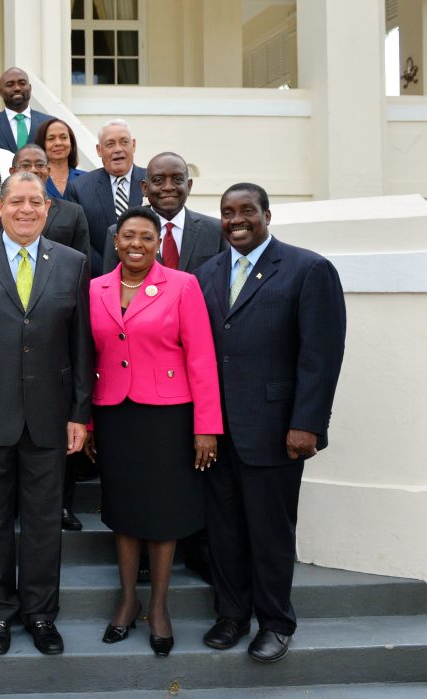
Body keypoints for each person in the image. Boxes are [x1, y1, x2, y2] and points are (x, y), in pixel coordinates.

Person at [194, 183, 346, 664]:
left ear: (267, 214)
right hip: (217, 433)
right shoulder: (205, 274)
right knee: (224, 530)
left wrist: (307, 423)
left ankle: (276, 622)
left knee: (270, 533)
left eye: (246, 212)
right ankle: (232, 615)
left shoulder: (309, 269)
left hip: (276, 429)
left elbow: (320, 356)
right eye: (227, 213)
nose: (236, 220)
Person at [0, 172, 92, 656]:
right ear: (0, 209)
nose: (27, 209)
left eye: (36, 202)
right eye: (18, 202)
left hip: (52, 413)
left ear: (48, 210)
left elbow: (82, 345)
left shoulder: (73, 263)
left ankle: (40, 612)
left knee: (44, 518)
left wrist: (79, 413)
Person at [85, 206, 222, 658]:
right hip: (114, 414)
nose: (137, 244)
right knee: (124, 509)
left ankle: (159, 608)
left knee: (163, 513)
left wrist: (207, 427)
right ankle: (128, 600)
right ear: (116, 242)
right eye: (129, 237)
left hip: (168, 415)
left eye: (146, 237)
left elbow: (201, 358)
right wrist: (86, 422)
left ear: (157, 242)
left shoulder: (182, 285)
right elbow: (88, 359)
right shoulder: (95, 288)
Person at [102, 152, 225, 275]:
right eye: (158, 180)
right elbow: (109, 286)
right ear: (144, 188)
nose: (168, 187)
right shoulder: (119, 232)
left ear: (189, 186)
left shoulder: (215, 230)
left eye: (177, 179)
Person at [66, 118, 146, 278]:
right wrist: (107, 271)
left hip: (148, 276)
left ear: (134, 145)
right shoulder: (80, 187)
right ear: (99, 149)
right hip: (100, 278)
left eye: (124, 142)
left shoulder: (152, 181)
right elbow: (80, 239)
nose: (118, 149)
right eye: (110, 144)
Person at [0, 144, 90, 255]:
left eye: (40, 165)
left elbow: (81, 264)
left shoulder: (73, 213)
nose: (34, 170)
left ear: (48, 171)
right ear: (12, 171)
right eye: (25, 165)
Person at [0, 67, 53, 152]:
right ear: (0, 92)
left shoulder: (49, 123)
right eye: (10, 85)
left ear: (30, 88)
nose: (17, 88)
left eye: (22, 83)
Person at [32, 118, 86, 201]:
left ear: (71, 143)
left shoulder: (87, 179)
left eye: (63, 137)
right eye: (51, 139)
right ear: (42, 144)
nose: (58, 143)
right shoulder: (33, 180)